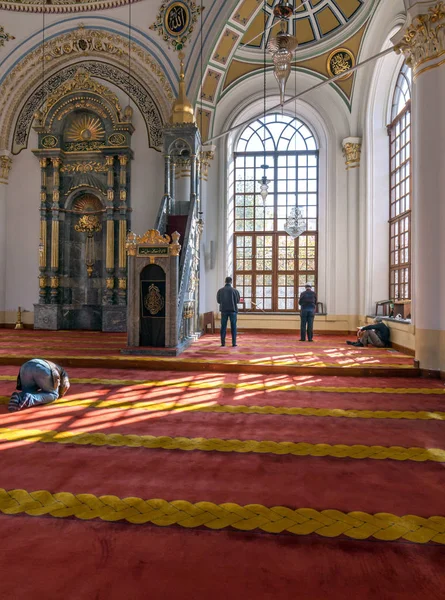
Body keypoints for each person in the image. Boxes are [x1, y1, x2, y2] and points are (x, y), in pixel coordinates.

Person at [217, 276, 241, 347]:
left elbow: (218, 301)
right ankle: (234, 343)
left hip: (224, 311)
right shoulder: (235, 291)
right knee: (233, 327)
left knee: (223, 327)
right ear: (231, 282)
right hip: (233, 311)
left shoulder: (220, 291)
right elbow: (237, 301)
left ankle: (223, 343)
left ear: (225, 281)